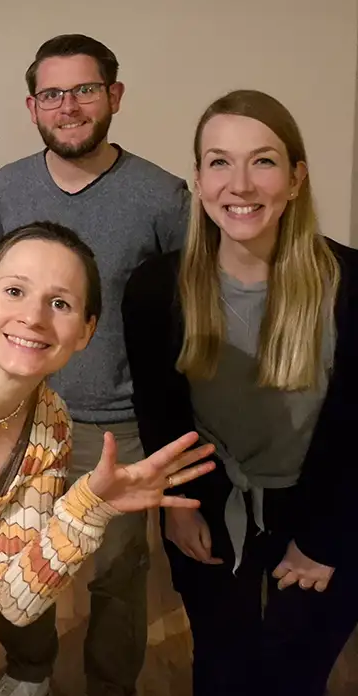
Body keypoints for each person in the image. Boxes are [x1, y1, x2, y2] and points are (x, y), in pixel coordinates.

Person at [0, 222, 215, 696]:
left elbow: (17, 602)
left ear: (86, 331)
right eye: (14, 291)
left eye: (60, 304)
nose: (33, 317)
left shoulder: (49, 430)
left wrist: (86, 511)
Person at [123, 91, 358, 696]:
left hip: (327, 508)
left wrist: (325, 540)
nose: (241, 184)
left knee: (293, 673)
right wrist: (179, 507)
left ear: (296, 179)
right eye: (220, 162)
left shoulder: (351, 284)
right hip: (210, 505)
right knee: (221, 667)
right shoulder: (155, 289)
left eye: (264, 161)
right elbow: (160, 413)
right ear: (199, 180)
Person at [0, 34, 189, 696]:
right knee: (19, 561)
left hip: (116, 423)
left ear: (114, 96)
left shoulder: (162, 197)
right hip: (19, 415)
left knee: (117, 576)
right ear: (32, 106)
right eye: (52, 94)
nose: (67, 107)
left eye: (85, 90)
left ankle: (110, 685)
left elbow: (186, 314)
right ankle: (28, 672)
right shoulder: (5, 189)